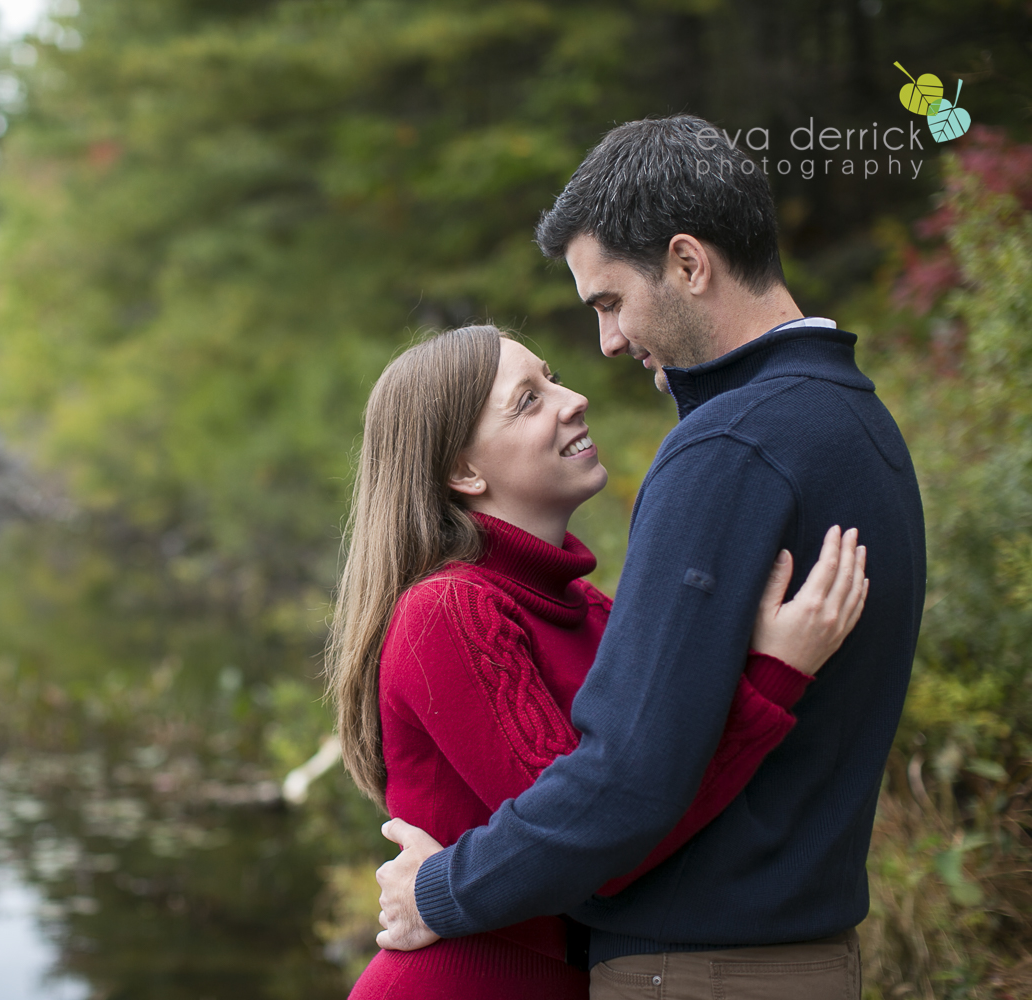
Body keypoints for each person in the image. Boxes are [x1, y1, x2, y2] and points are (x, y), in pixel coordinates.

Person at [373, 115, 926, 998]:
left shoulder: (727, 448)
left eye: (609, 302)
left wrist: (440, 887)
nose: (606, 350)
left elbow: (623, 788)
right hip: (772, 957)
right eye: (529, 397)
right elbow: (626, 784)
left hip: (705, 969)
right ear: (460, 471)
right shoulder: (855, 422)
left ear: (688, 264)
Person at [327, 324, 867, 998]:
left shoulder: (591, 610)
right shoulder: (450, 612)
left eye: (552, 377)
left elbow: (650, 791)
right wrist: (772, 679)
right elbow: (594, 839)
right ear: (463, 472)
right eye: (528, 400)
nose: (573, 398)